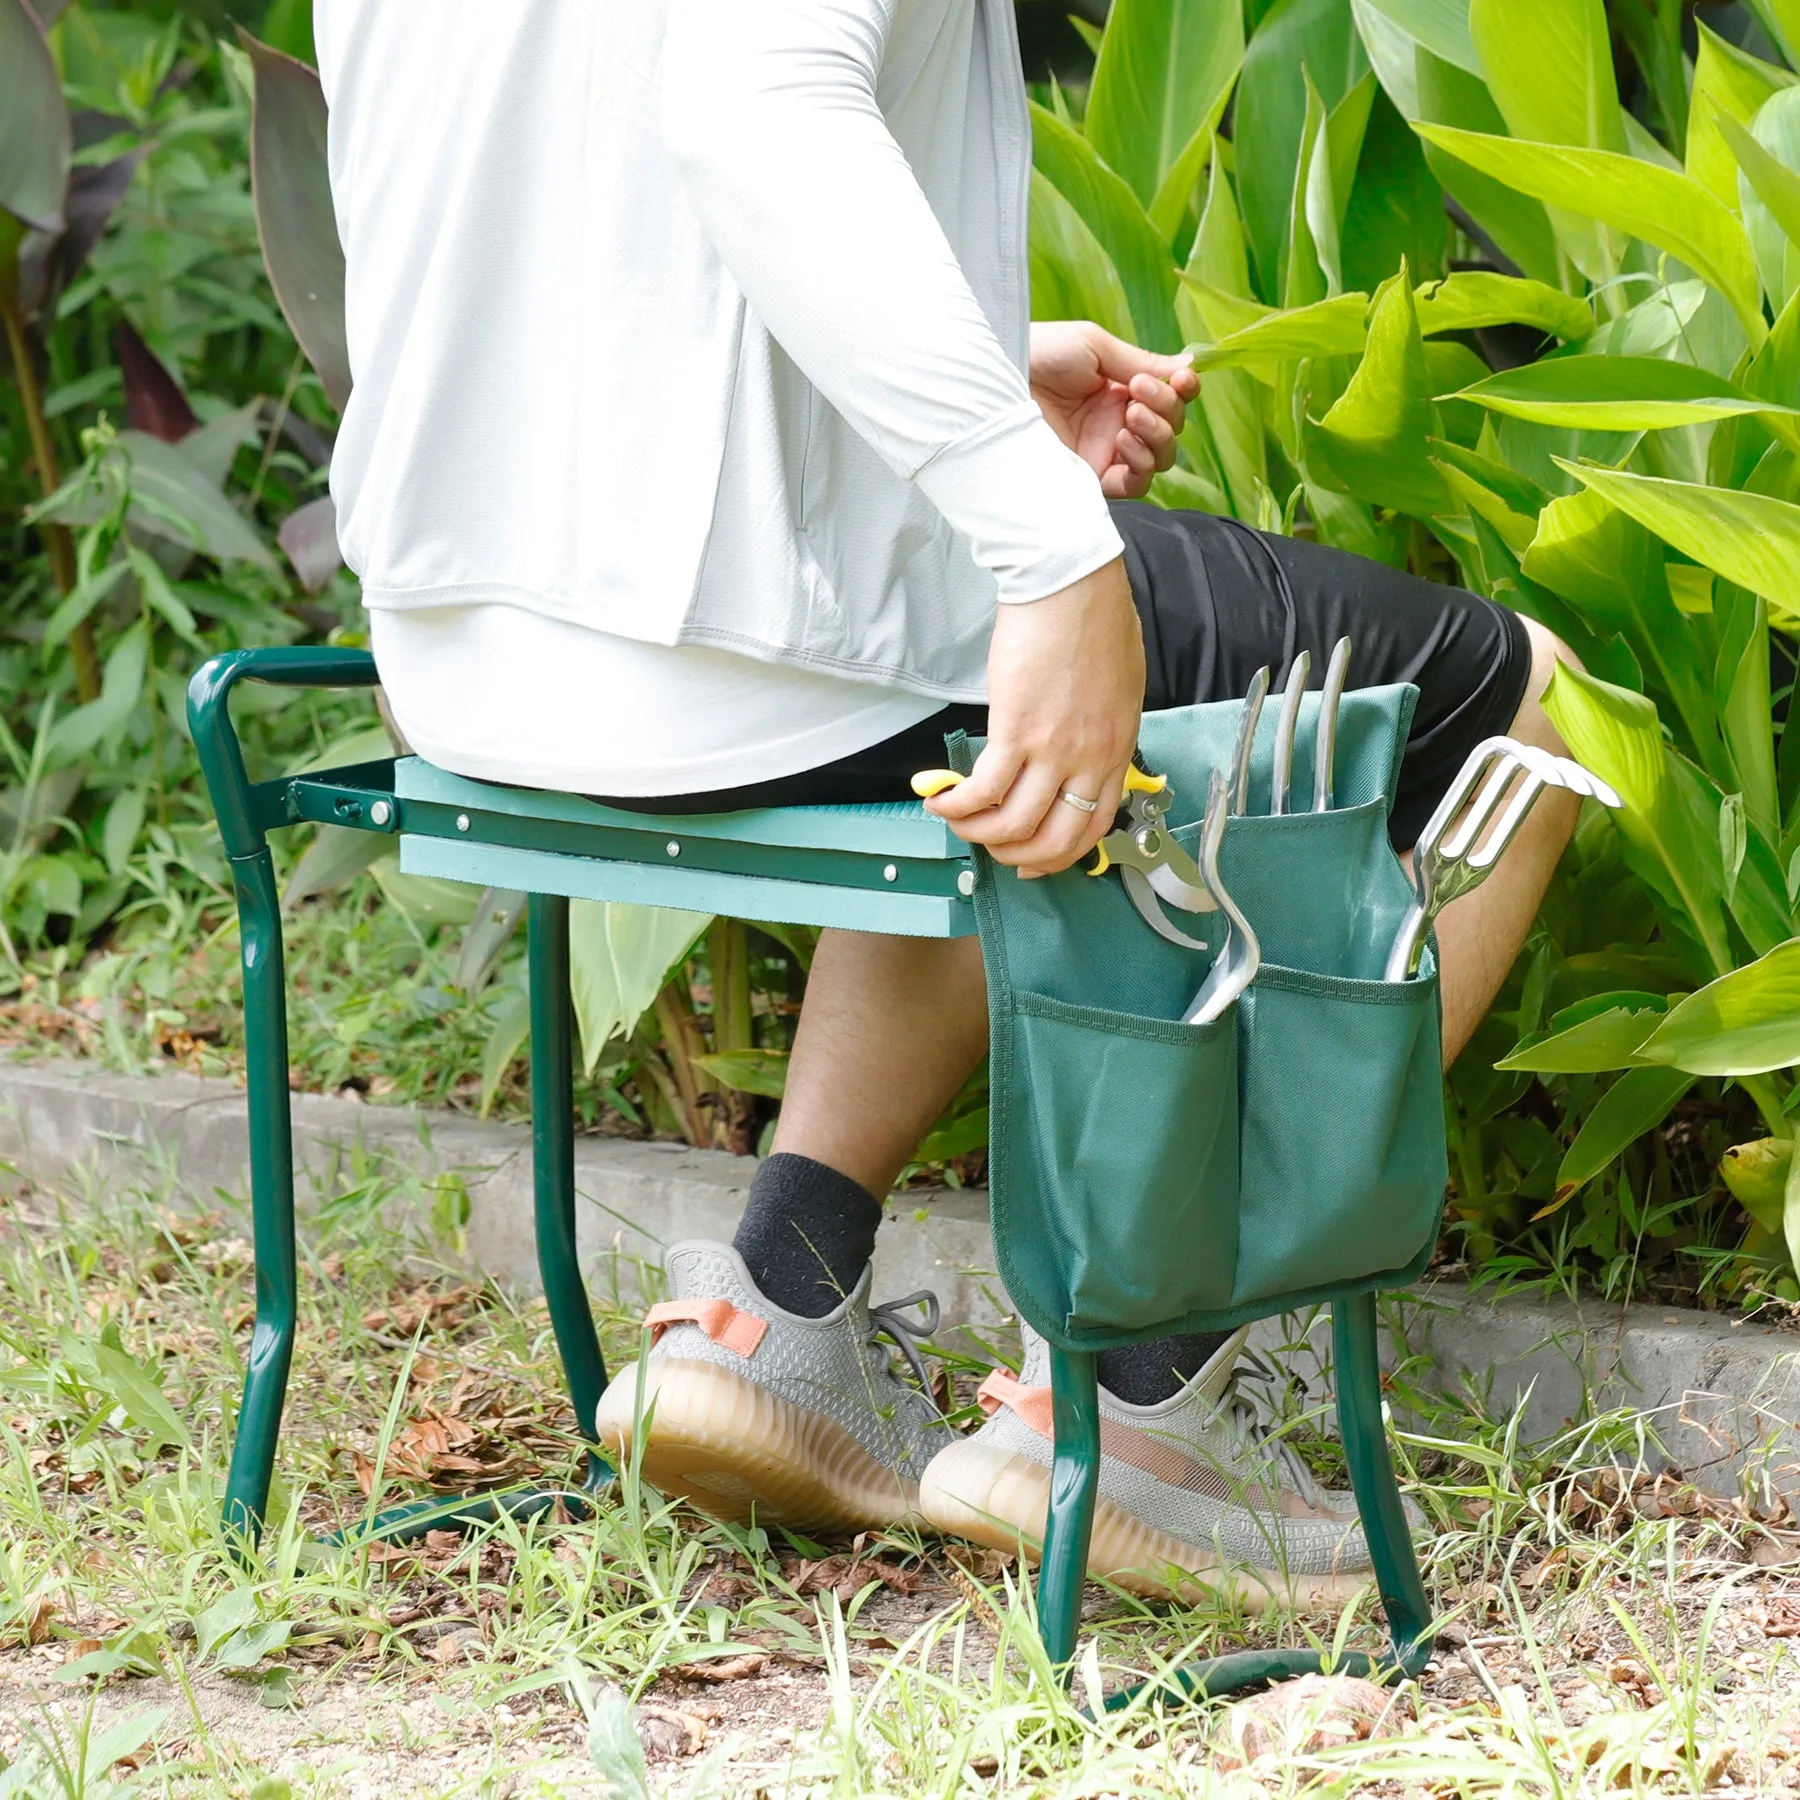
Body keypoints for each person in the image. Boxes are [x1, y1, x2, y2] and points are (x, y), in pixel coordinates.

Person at [314, 0, 1580, 1603]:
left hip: (459, 664)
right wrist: (1033, 528)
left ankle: (775, 1307)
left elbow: (579, 199)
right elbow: (746, 102)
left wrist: (967, 395)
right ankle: (1152, 1401)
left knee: (973, 719)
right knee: (1516, 707)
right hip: (756, 662)